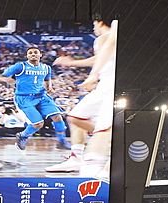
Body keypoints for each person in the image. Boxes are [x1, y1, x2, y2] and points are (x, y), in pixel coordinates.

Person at [49, 17, 117, 175]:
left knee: (99, 128)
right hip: (104, 84)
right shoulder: (105, 39)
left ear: (100, 23)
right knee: (74, 117)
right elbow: (100, 58)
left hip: (110, 84)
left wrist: (91, 74)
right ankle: (76, 157)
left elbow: (100, 57)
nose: (93, 27)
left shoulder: (105, 37)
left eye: (94, 24)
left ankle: (93, 165)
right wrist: (73, 63)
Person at [0, 46, 70, 150]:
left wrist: (49, 87)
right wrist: (10, 82)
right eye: (30, 53)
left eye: (35, 52)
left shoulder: (46, 68)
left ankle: (62, 141)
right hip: (24, 98)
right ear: (27, 56)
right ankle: (23, 136)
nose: (33, 54)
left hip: (42, 96)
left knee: (57, 117)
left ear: (40, 55)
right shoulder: (20, 66)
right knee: (38, 124)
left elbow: (46, 80)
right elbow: (1, 77)